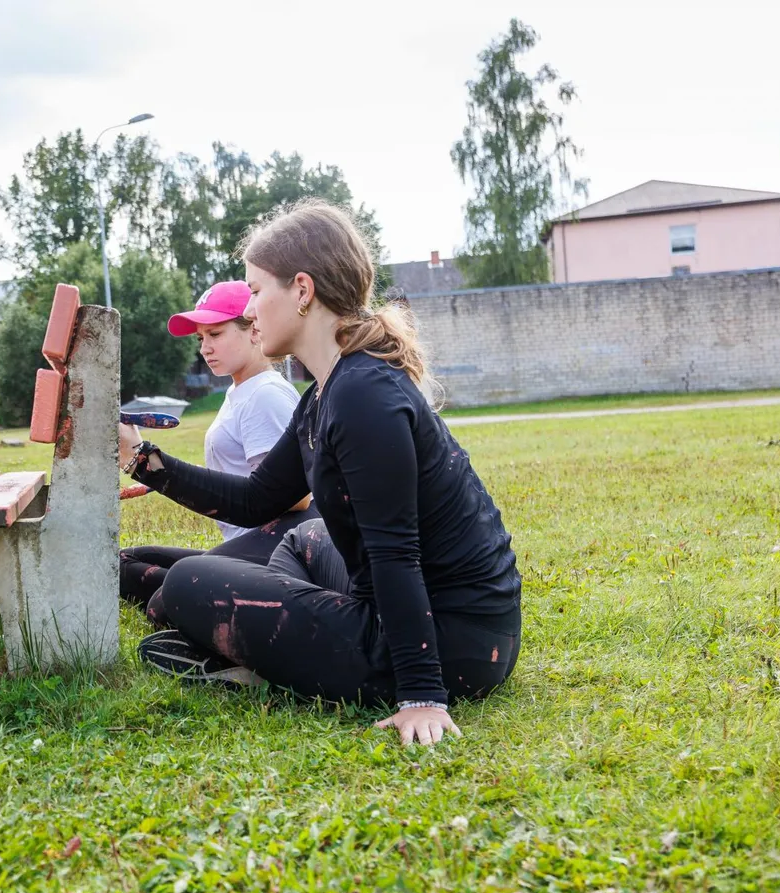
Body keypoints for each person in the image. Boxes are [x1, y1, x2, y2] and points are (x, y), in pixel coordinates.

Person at [120, 200, 522, 745]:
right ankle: (275, 650)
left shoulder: (363, 395)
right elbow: (257, 500)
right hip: (411, 610)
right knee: (307, 539)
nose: (251, 309)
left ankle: (272, 657)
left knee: (189, 583)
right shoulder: (328, 390)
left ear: (303, 291)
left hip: (458, 643)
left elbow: (395, 552)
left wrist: (421, 696)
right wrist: (142, 457)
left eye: (257, 291)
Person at [119, 280, 319, 624]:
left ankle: (229, 599)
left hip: (279, 548)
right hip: (250, 542)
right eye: (201, 338)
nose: (204, 348)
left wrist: (142, 458)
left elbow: (295, 499)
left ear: (254, 330)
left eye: (215, 334)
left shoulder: (265, 395)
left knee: (163, 599)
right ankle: (211, 588)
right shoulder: (241, 390)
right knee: (122, 564)